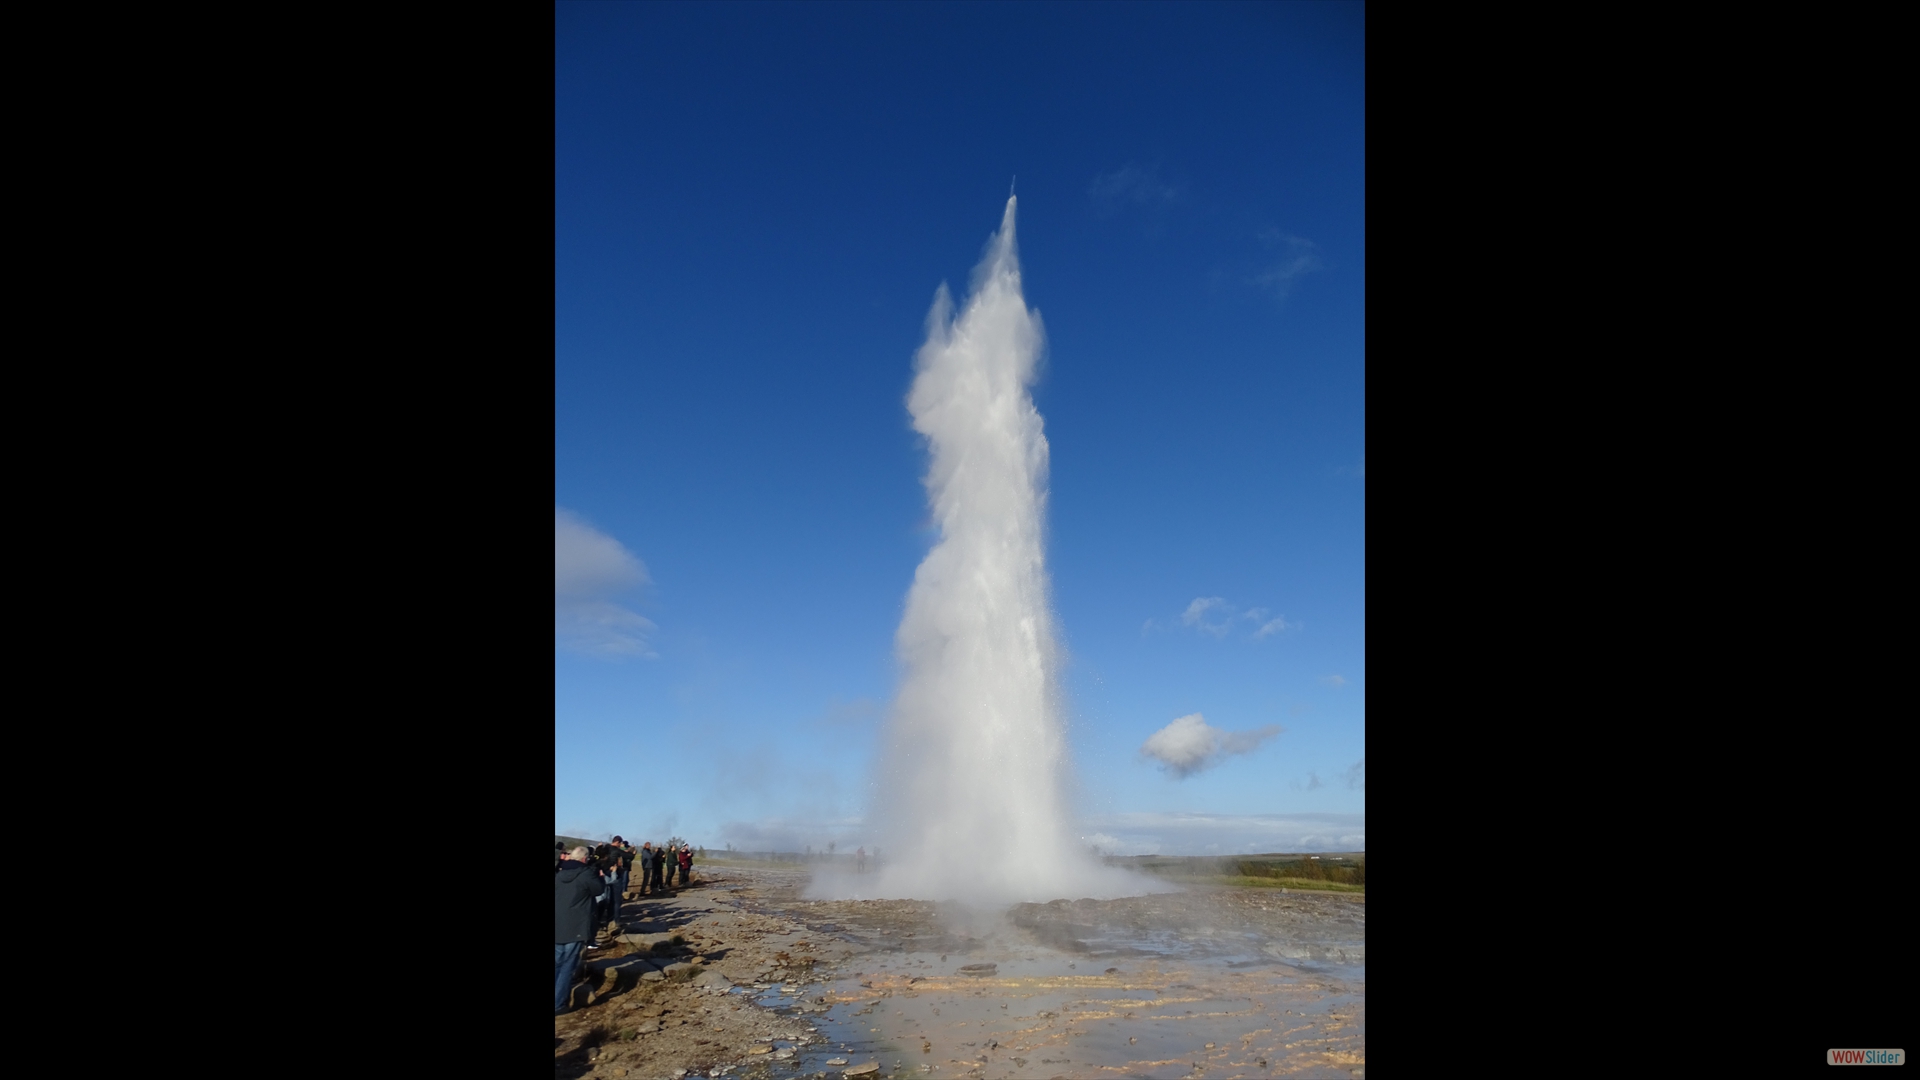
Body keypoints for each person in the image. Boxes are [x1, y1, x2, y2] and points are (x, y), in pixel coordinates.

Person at [555, 846, 601, 1014]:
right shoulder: (585, 874)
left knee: (557, 963)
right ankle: (558, 1004)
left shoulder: (559, 874)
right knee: (568, 965)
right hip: (575, 925)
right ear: (584, 859)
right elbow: (599, 890)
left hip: (558, 923)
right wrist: (597, 874)